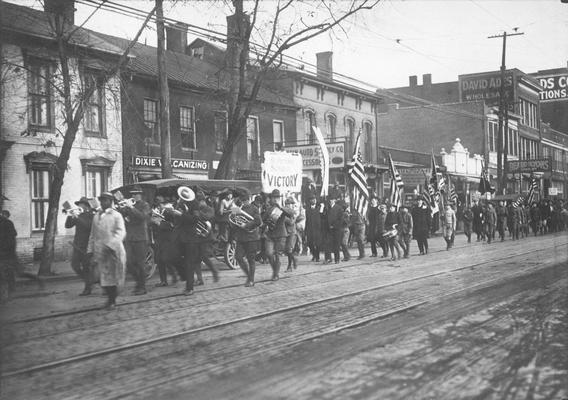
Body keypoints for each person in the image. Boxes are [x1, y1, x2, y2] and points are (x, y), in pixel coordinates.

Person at [87, 192, 126, 310]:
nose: (103, 202)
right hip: (100, 251)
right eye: (101, 200)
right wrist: (90, 249)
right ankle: (110, 298)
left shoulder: (116, 215)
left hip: (113, 251)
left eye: (105, 200)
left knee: (113, 277)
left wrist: (111, 245)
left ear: (110, 201)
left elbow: (121, 232)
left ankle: (112, 301)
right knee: (102, 277)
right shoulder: (96, 216)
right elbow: (92, 234)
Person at [177, 189, 215, 295]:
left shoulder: (195, 205)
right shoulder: (180, 203)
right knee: (175, 258)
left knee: (191, 262)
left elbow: (195, 219)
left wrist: (181, 214)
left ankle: (190, 287)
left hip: (193, 238)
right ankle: (187, 278)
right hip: (182, 237)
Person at [120, 187, 151, 295]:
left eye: (136, 194)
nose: (133, 196)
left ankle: (142, 287)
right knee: (129, 263)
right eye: (132, 194)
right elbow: (122, 216)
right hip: (130, 237)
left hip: (141, 238)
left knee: (140, 264)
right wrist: (121, 207)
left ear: (140, 195)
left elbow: (142, 217)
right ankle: (139, 282)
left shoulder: (145, 205)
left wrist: (130, 207)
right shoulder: (129, 206)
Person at [64, 197, 95, 295]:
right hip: (77, 244)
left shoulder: (91, 215)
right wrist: (70, 215)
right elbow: (68, 226)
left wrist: (77, 217)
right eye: (79, 205)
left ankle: (88, 287)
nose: (79, 207)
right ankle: (89, 282)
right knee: (75, 266)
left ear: (87, 206)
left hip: (87, 245)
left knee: (86, 267)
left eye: (81, 205)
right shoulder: (78, 215)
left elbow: (87, 226)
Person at [232, 189, 262, 287]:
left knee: (251, 259)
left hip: (251, 237)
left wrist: (247, 224)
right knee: (238, 257)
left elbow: (258, 221)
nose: (244, 203)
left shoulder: (254, 208)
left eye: (245, 200)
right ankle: (248, 275)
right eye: (242, 200)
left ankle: (251, 280)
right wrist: (234, 220)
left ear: (248, 199)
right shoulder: (237, 208)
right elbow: (233, 221)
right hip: (241, 237)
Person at [262, 189, 293, 281]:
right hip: (270, 235)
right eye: (273, 198)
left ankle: (275, 274)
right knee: (268, 253)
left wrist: (280, 207)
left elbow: (291, 214)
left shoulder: (283, 208)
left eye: (277, 198)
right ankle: (275, 270)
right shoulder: (269, 209)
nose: (275, 200)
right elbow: (263, 219)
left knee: (276, 254)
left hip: (280, 235)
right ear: (271, 199)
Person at [150, 195, 179, 287]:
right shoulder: (157, 211)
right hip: (159, 239)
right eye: (158, 204)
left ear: (164, 203)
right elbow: (154, 224)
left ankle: (174, 276)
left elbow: (172, 224)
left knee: (166, 259)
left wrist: (160, 222)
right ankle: (163, 281)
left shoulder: (169, 210)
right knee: (159, 260)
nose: (159, 206)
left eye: (160, 204)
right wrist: (154, 221)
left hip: (168, 239)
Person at [193, 190, 219, 286]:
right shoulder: (195, 209)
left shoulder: (209, 209)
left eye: (200, 201)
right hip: (197, 237)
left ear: (204, 201)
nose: (200, 203)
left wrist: (197, 214)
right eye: (198, 201)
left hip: (206, 237)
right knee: (196, 259)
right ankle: (200, 279)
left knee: (204, 257)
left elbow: (207, 217)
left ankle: (214, 271)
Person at [284, 197, 301, 272]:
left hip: (292, 233)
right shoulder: (285, 212)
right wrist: (295, 218)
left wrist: (295, 218)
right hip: (285, 233)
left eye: (291, 204)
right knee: (286, 250)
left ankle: (289, 266)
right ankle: (294, 259)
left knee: (289, 249)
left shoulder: (293, 212)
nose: (290, 206)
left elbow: (291, 222)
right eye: (288, 204)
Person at [327, 196, 345, 263]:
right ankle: (329, 259)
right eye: (329, 200)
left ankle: (337, 259)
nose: (330, 201)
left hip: (337, 229)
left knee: (336, 244)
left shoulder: (338, 208)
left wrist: (334, 226)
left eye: (331, 199)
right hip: (329, 230)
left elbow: (341, 219)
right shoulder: (328, 208)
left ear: (334, 200)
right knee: (329, 244)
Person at [305, 195, 322, 262]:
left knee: (317, 244)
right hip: (310, 229)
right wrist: (306, 230)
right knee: (310, 243)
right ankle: (314, 254)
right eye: (312, 199)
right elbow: (307, 220)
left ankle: (317, 256)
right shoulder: (308, 209)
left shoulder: (319, 208)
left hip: (317, 229)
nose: (313, 200)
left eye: (314, 199)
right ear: (310, 201)